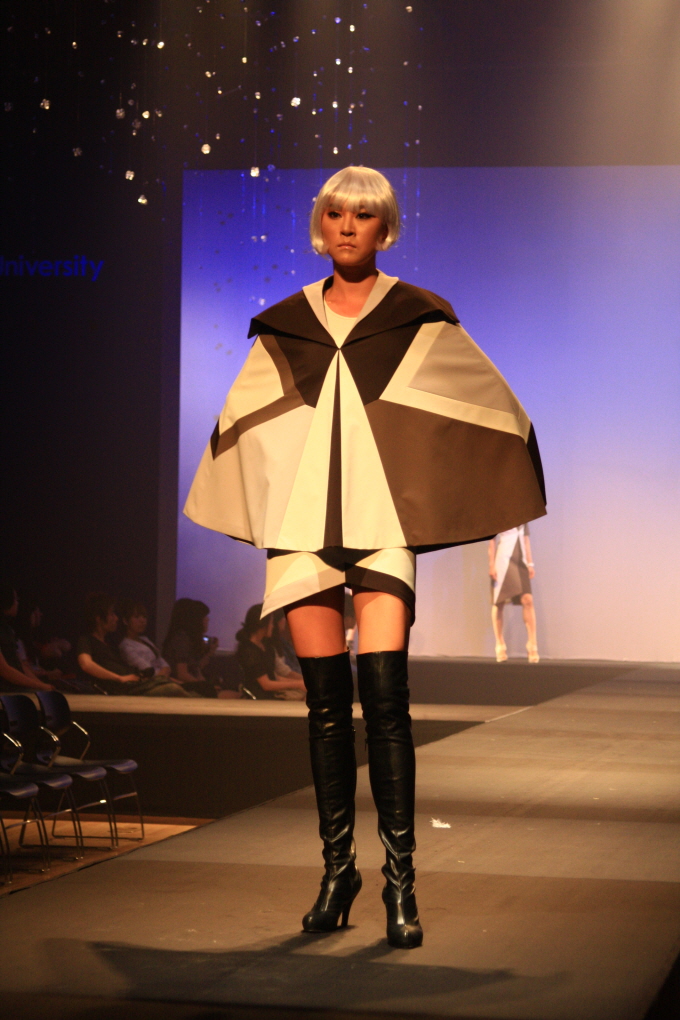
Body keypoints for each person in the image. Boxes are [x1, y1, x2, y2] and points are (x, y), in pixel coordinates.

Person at [184, 166, 546, 949]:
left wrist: (489, 473)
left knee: (386, 702)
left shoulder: (416, 317)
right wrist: (256, 501)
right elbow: (249, 425)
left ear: (386, 228)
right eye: (336, 213)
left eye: (364, 215)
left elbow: (478, 406)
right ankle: (337, 872)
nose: (348, 226)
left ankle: (400, 883)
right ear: (321, 226)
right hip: (304, 530)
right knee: (324, 708)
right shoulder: (286, 325)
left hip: (381, 523)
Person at [77, 593, 190, 697]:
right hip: (125, 688)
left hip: (136, 683)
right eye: (111, 614)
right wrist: (119, 678)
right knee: (172, 689)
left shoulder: (110, 645)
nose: (116, 618)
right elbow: (86, 664)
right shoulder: (87, 640)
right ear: (98, 619)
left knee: (185, 688)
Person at [489, 524, 539, 662]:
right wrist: (491, 564)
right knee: (499, 602)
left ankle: (532, 644)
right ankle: (500, 643)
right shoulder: (497, 514)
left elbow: (525, 538)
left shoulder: (524, 514)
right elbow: (491, 539)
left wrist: (530, 563)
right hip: (503, 559)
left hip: (521, 560)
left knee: (527, 599)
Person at [235, 604, 306, 700]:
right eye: (271, 623)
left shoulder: (266, 646)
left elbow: (274, 677)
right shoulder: (248, 650)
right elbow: (266, 685)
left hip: (271, 694)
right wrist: (298, 684)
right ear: (263, 624)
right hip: (259, 697)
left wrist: (301, 683)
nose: (273, 626)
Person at [0, 582, 54, 692]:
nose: (17, 603)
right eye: (15, 599)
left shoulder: (7, 630)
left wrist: (41, 686)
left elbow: (20, 665)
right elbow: (4, 670)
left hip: (15, 688)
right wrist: (40, 686)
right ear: (6, 601)